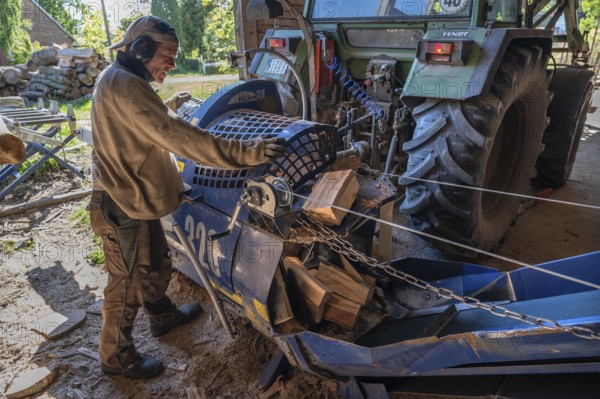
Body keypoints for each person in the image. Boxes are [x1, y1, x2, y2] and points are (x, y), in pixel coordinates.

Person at [89, 16, 286, 379]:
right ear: (141, 48)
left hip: (133, 197)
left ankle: (162, 317)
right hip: (120, 204)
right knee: (128, 281)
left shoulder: (120, 79)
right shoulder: (128, 87)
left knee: (155, 262)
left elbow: (144, 124)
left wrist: (170, 107)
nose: (172, 64)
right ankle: (115, 357)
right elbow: (178, 138)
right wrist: (249, 152)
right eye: (168, 54)